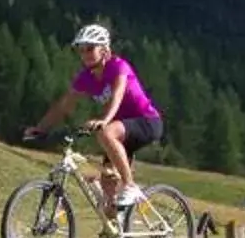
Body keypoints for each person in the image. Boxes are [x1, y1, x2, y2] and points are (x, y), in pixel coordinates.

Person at [26, 24, 162, 213]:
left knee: (106, 133)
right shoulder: (86, 77)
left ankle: (130, 185)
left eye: (90, 48)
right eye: (81, 50)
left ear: (105, 50)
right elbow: (64, 105)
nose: (85, 54)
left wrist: (104, 120)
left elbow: (118, 95)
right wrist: (41, 128)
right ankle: (116, 232)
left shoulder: (118, 66)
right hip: (119, 131)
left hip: (146, 122)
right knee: (108, 190)